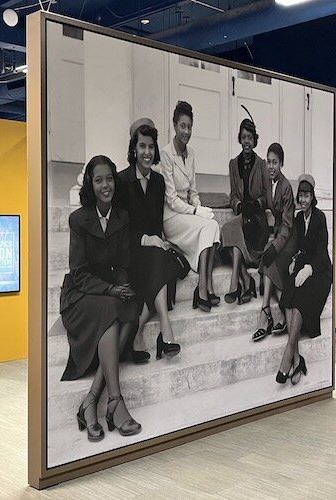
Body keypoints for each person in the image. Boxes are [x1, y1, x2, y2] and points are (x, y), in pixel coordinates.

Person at [59, 155, 142, 442]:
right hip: (80, 294)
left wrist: (123, 286)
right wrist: (110, 290)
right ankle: (116, 401)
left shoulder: (121, 217)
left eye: (109, 179)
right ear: (90, 185)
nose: (105, 185)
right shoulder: (78, 219)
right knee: (112, 310)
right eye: (98, 180)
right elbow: (78, 273)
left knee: (132, 309)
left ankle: (91, 399)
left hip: (108, 289)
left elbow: (121, 264)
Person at [116, 123, 182, 361]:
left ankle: (140, 329)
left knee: (161, 258)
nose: (147, 152)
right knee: (158, 262)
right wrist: (147, 239)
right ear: (133, 148)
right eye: (142, 146)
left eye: (151, 147)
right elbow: (120, 231)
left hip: (153, 252)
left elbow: (156, 223)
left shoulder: (158, 181)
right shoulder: (121, 181)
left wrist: (157, 240)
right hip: (130, 251)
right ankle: (165, 328)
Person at [159, 100, 220, 312]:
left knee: (212, 225)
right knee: (206, 227)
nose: (186, 131)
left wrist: (200, 207)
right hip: (171, 217)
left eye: (190, 127)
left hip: (187, 212)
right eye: (182, 126)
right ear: (175, 126)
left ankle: (206, 285)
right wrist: (195, 211)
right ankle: (203, 288)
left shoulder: (191, 153)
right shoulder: (166, 154)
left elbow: (193, 191)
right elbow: (171, 199)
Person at [277, 174, 332, 385]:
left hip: (320, 271)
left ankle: (288, 354)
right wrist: (295, 259)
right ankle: (298, 360)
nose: (303, 200)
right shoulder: (299, 219)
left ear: (312, 197)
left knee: (299, 302)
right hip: (303, 264)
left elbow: (321, 252)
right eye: (300, 196)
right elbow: (302, 246)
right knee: (288, 297)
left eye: (306, 196)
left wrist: (309, 269)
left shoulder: (320, 218)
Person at [222, 118, 269, 305]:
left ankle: (238, 282)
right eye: (243, 137)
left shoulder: (262, 164)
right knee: (227, 229)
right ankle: (242, 280)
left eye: (250, 137)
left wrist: (257, 204)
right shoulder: (234, 164)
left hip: (256, 219)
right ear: (239, 139)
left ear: (254, 140)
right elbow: (232, 195)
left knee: (231, 241)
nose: (246, 141)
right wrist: (238, 205)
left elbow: (267, 196)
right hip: (243, 214)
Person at [252, 143, 295, 342]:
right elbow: (265, 198)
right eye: (268, 162)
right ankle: (272, 309)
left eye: (275, 163)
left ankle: (265, 311)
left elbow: (287, 225)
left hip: (289, 237)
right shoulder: (269, 182)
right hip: (278, 233)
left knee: (270, 257)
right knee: (267, 256)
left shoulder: (286, 187)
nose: (271, 166)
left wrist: (276, 245)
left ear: (281, 164)